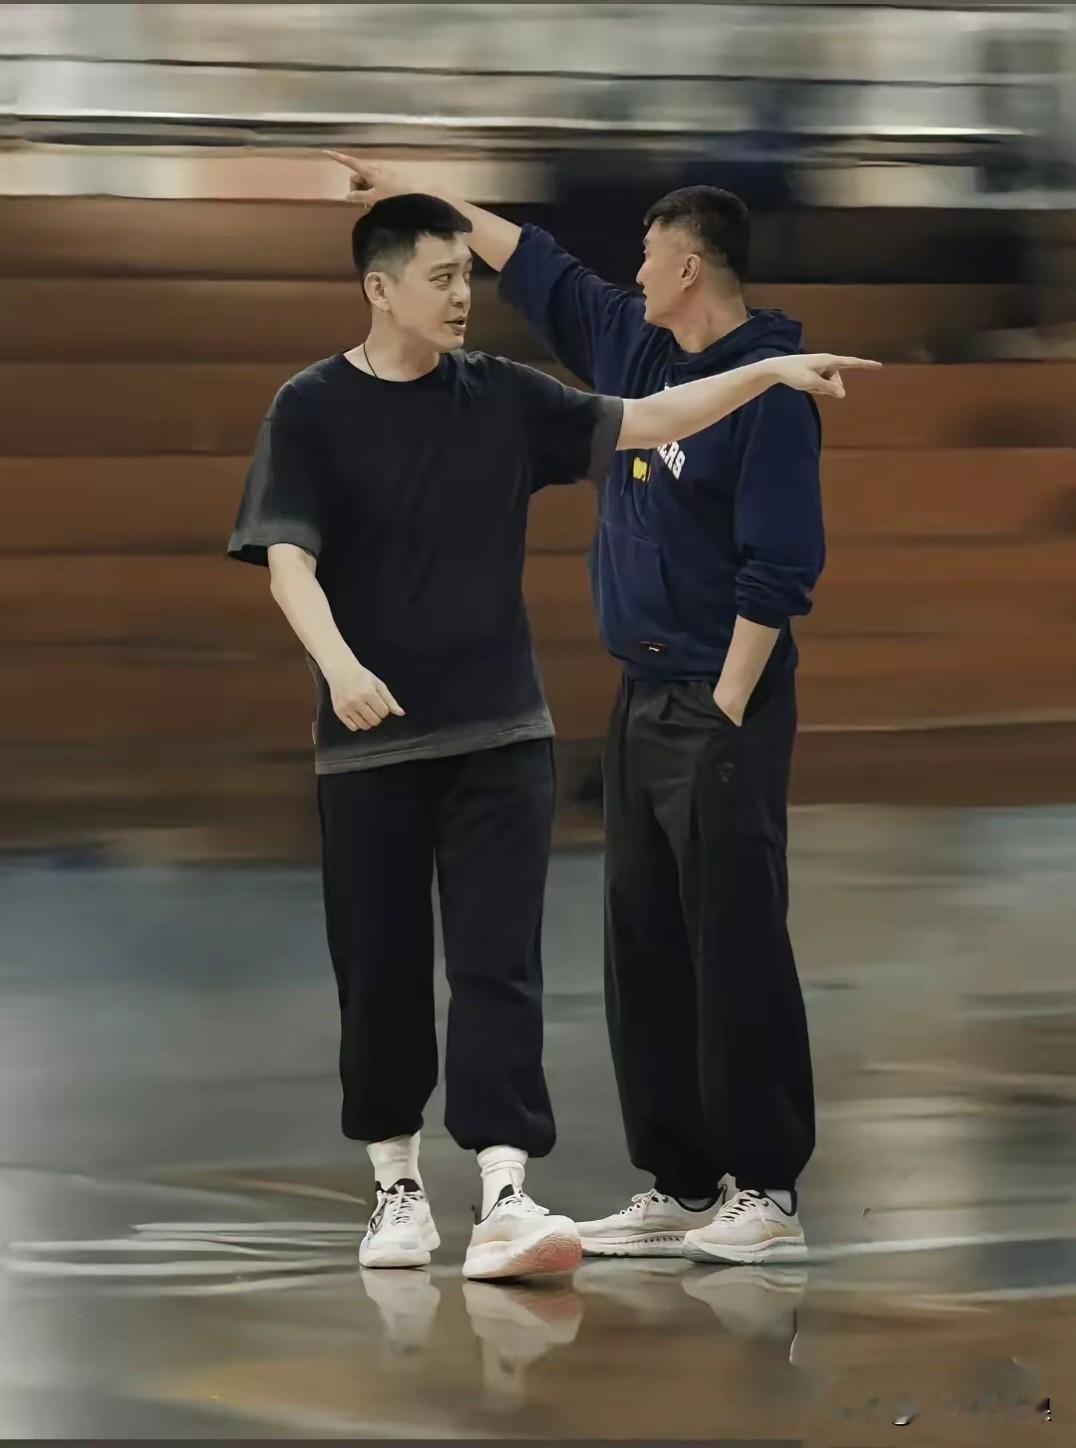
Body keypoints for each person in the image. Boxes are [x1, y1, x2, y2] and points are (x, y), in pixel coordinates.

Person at [232, 178, 876, 1277]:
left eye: (463, 277)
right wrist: (339, 667)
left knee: (610, 957)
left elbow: (708, 484)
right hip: (507, 717)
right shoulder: (325, 403)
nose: (464, 294)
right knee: (528, 956)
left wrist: (769, 375)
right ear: (381, 290)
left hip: (603, 718)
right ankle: (536, 1185)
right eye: (440, 277)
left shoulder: (535, 395)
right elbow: (290, 554)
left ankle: (632, 1190)